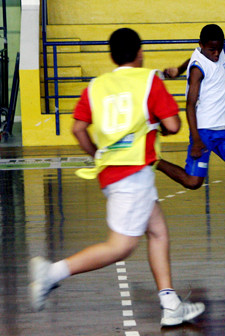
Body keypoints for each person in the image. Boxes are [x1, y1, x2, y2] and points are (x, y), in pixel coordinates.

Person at [28, 28, 205, 327]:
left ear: (111, 55)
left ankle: (170, 303)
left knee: (158, 231)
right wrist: (158, 126)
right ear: (140, 52)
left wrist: (97, 153)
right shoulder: (149, 80)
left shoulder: (97, 86)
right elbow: (173, 125)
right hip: (133, 173)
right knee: (120, 246)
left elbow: (77, 129)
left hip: (114, 173)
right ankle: (53, 273)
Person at [155, 24, 225, 241]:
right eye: (211, 50)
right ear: (202, 46)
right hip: (205, 131)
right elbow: (189, 105)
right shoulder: (198, 69)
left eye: (219, 49)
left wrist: (178, 69)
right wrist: (197, 139)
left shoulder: (214, 51)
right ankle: (154, 161)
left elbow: (193, 56)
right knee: (193, 182)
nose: (216, 54)